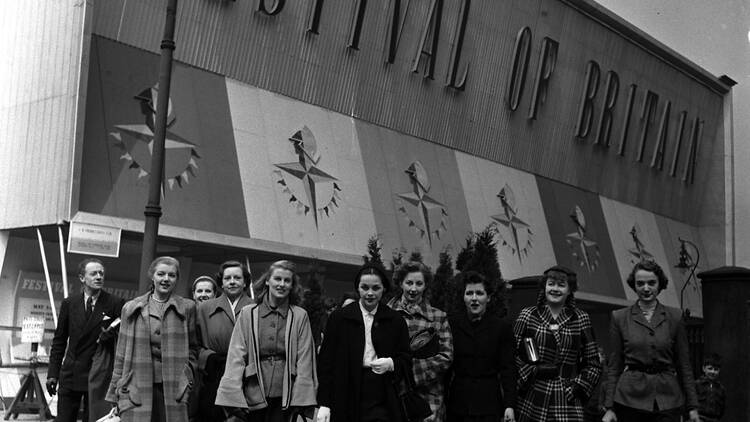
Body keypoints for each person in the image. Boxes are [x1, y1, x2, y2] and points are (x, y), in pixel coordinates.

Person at [215, 260, 317, 421]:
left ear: (292, 285)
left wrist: (301, 397)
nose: (282, 284)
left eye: (287, 280)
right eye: (277, 279)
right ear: (268, 281)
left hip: (285, 394)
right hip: (252, 391)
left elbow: (304, 358)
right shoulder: (249, 313)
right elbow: (236, 355)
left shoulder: (299, 315)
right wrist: (232, 393)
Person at [602, 260, 700, 422]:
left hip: (668, 398)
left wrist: (693, 407)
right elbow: (615, 365)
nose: (646, 288)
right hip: (628, 400)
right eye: (640, 284)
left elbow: (684, 365)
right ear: (634, 285)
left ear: (660, 284)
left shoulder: (675, 317)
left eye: (651, 283)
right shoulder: (619, 317)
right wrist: (609, 407)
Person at [105, 256, 199, 422]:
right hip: (136, 386)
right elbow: (121, 353)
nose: (166, 279)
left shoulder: (187, 307)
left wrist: (187, 375)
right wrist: (115, 393)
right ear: (152, 276)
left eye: (171, 275)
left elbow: (193, 347)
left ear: (177, 279)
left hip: (174, 386)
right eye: (161, 274)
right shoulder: (131, 308)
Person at [316, 263, 412, 422]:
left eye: (376, 288)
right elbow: (326, 362)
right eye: (364, 287)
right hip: (345, 389)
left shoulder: (395, 320)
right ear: (357, 288)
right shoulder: (339, 318)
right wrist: (324, 403)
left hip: (381, 390)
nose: (370, 293)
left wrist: (391, 363)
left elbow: (406, 359)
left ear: (384, 289)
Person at [514, 265, 602, 422]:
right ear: (544, 287)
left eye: (561, 285)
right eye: (551, 284)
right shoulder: (527, 315)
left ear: (570, 290)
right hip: (533, 397)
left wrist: (577, 387)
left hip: (566, 401)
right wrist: (532, 372)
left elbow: (593, 363)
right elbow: (512, 356)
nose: (555, 289)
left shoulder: (581, 318)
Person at [47, 258, 126, 422]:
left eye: (101, 273)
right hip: (71, 373)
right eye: (94, 273)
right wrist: (52, 374)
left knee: (95, 419)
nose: (99, 277)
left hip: (99, 375)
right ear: (82, 278)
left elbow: (122, 342)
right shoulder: (70, 303)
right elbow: (59, 341)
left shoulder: (115, 303)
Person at [387, 261, 453, 422]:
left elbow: (446, 355)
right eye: (409, 283)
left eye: (419, 283)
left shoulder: (439, 317)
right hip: (391, 394)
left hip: (428, 397)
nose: (413, 289)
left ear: (425, 286)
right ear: (401, 283)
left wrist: (408, 372)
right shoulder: (385, 314)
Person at [446, 271, 516, 422]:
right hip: (458, 403)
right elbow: (446, 368)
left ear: (488, 298)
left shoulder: (501, 328)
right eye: (469, 293)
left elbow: (508, 369)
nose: (474, 298)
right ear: (463, 297)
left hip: (489, 404)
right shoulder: (452, 325)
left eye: (479, 293)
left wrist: (509, 405)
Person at [195, 261, 255, 421]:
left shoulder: (256, 308)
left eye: (237, 277)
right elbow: (193, 344)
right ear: (221, 282)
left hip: (246, 379)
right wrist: (208, 358)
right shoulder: (204, 308)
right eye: (228, 278)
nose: (232, 281)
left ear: (245, 282)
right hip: (213, 377)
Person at [695, 353, 725, 422]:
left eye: (716, 369)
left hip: (714, 419)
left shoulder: (721, 388)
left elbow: (722, 408)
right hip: (699, 418)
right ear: (704, 368)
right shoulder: (697, 384)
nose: (713, 372)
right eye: (710, 368)